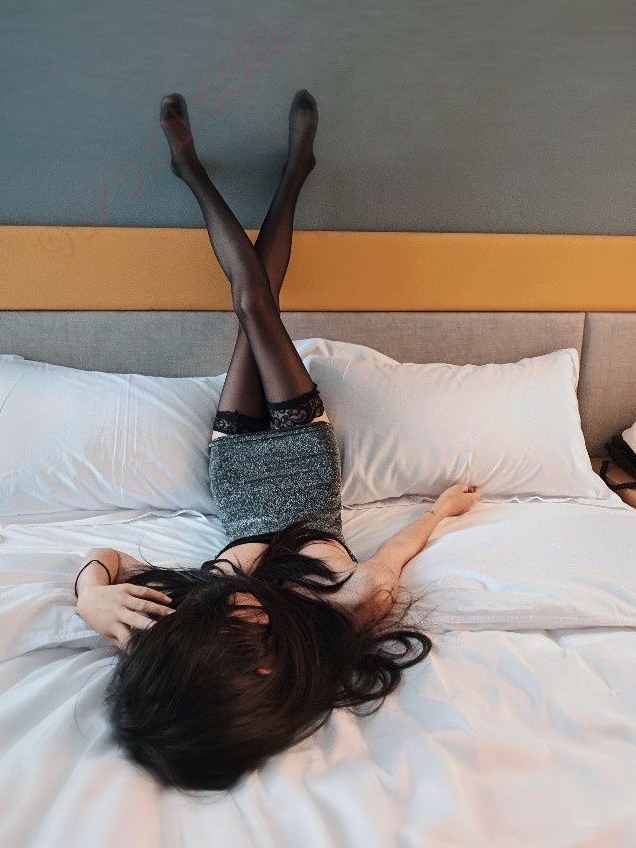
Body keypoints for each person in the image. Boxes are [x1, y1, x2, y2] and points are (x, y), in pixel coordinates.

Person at [73, 90, 483, 792]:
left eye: (216, 624)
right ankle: (269, 173)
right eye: (243, 636)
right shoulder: (346, 609)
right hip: (302, 456)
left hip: (235, 465)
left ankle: (221, 171)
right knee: (254, 303)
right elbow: (397, 551)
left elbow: (110, 558)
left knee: (251, 305)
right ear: (267, 670)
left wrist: (90, 595)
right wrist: (442, 510)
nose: (236, 609)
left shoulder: (180, 624)